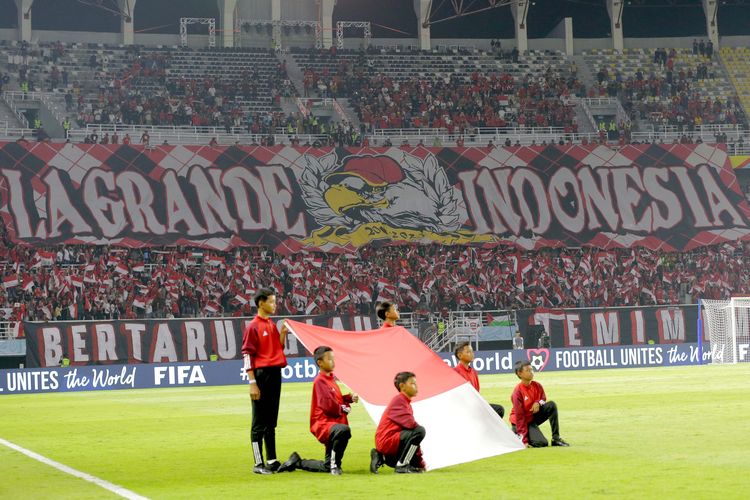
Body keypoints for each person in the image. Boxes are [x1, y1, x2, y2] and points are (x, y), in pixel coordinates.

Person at [277, 346, 358, 475]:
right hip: (323, 424)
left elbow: (334, 400)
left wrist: (348, 398)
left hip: (331, 423)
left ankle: (297, 462)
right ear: (320, 362)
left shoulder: (329, 379)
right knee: (343, 431)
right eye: (329, 359)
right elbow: (328, 406)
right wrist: (346, 407)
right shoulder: (320, 381)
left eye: (333, 358)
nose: (333, 362)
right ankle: (334, 466)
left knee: (326, 465)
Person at [241, 287, 289, 474]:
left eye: (275, 301)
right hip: (261, 375)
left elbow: (278, 349)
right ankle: (258, 463)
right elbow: (247, 355)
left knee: (271, 421)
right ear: (261, 303)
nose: (274, 305)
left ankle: (272, 460)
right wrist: (252, 383)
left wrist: (283, 333)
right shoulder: (253, 326)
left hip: (275, 373)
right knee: (259, 421)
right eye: (271, 301)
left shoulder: (271, 324)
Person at [371, 371, 426, 474]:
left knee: (415, 462)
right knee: (420, 431)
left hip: (390, 442)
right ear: (402, 386)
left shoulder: (404, 402)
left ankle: (381, 457)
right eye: (413, 383)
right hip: (387, 440)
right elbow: (411, 426)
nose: (416, 386)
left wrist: (420, 463)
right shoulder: (399, 400)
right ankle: (402, 466)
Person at [509, 360, 569, 448]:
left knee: (551, 405)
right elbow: (520, 417)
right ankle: (517, 434)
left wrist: (538, 402)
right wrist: (524, 441)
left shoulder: (537, 385)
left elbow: (543, 399)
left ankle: (556, 439)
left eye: (532, 369)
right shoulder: (517, 392)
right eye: (528, 370)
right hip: (521, 422)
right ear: (520, 373)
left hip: (532, 417)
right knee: (542, 443)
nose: (531, 372)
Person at [453, 341, 504, 418]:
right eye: (468, 352)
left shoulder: (473, 372)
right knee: (497, 410)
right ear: (460, 355)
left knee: (499, 410)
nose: (472, 354)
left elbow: (477, 392)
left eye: (472, 351)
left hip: (475, 405)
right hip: (465, 408)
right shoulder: (456, 372)